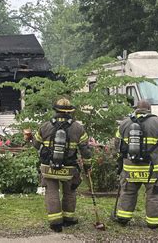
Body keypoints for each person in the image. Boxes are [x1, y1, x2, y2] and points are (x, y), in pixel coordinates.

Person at [113, 100, 158, 229]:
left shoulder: (124, 123)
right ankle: (154, 223)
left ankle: (123, 217)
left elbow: (117, 145)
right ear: (149, 109)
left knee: (128, 192)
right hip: (153, 168)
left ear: (136, 109)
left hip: (130, 167)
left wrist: (120, 161)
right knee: (154, 194)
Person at [32, 97, 92, 232]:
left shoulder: (45, 126)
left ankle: (55, 222)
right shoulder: (78, 128)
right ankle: (68, 218)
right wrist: (87, 165)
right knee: (70, 192)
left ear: (55, 110)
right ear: (70, 111)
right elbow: (85, 150)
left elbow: (35, 145)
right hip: (69, 168)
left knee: (52, 192)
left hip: (49, 166)